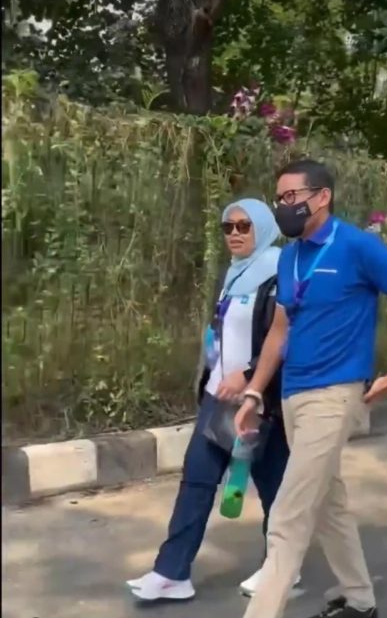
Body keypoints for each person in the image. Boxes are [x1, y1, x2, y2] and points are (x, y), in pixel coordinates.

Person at [234, 159, 387, 618]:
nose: (283, 207)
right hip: (293, 395)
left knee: (288, 515)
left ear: (322, 197)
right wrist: (254, 392)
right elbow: (279, 331)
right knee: (327, 502)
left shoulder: (358, 247)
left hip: (334, 394)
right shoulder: (290, 256)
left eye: (291, 197)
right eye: (278, 199)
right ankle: (360, 599)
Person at [126, 198, 299, 601]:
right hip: (217, 397)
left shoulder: (280, 273)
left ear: (263, 228)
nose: (235, 234)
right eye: (228, 227)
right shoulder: (234, 274)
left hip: (260, 400)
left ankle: (282, 567)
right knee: (196, 480)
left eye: (244, 226)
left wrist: (250, 375)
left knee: (274, 488)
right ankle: (172, 573)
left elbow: (286, 338)